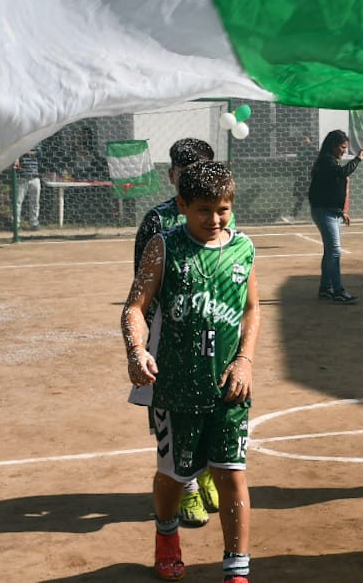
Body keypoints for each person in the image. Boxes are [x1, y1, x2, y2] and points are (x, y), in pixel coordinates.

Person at [121, 161, 259, 583]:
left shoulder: (244, 248)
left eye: (223, 209)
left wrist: (245, 360)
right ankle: (167, 537)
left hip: (229, 386)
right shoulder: (164, 247)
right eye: (204, 210)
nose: (215, 219)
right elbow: (135, 308)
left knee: (232, 473)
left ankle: (237, 568)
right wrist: (136, 350)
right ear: (182, 205)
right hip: (176, 387)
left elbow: (252, 309)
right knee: (174, 475)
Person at [129, 137, 224, 529]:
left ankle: (205, 472)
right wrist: (149, 343)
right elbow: (142, 288)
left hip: (213, 335)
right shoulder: (157, 221)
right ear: (171, 176)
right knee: (170, 416)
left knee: (212, 408)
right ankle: (185, 486)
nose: (193, 180)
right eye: (185, 174)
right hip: (169, 338)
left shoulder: (220, 216)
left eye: (201, 172)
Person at [307, 130, 363, 303]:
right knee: (335, 251)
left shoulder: (329, 161)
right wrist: (357, 159)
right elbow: (343, 173)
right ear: (333, 146)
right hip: (324, 212)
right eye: (342, 147)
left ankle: (325, 288)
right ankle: (338, 291)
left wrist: (343, 212)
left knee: (330, 251)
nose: (344, 151)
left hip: (332, 212)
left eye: (346, 148)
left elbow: (336, 187)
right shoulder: (327, 161)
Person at [14, 147, 42, 231]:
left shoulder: (35, 143)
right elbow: (15, 153)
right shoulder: (19, 144)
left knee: (35, 202)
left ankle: (34, 223)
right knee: (18, 202)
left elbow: (39, 153)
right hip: (22, 177)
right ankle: (16, 224)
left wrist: (24, 152)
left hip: (35, 177)